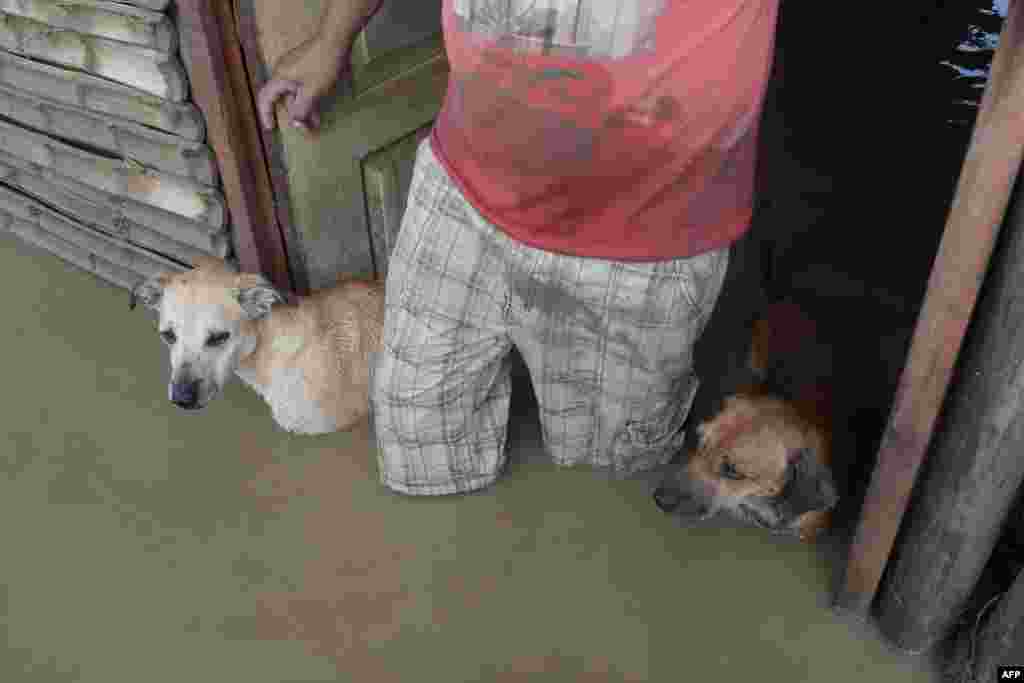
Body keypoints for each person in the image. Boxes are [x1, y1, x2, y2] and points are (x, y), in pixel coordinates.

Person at [258, 0, 780, 496]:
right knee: (416, 441)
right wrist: (330, 40)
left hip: (640, 242)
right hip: (462, 193)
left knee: (603, 474)